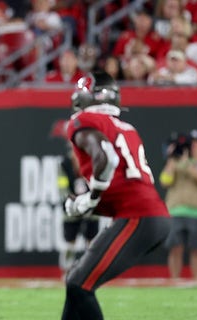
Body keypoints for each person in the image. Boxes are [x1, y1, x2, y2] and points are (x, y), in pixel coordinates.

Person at [62, 71, 171, 319]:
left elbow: (106, 157)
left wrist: (90, 198)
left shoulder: (85, 120)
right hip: (148, 215)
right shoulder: (126, 128)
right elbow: (121, 182)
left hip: (138, 217)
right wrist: (88, 203)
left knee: (80, 284)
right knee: (76, 282)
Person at [51, 120, 99, 276]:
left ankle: (89, 270)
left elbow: (97, 180)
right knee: (69, 242)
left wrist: (93, 198)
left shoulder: (92, 161)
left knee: (91, 241)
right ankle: (66, 270)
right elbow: (62, 185)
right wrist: (69, 199)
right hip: (72, 205)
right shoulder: (64, 163)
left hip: (90, 204)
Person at [160, 130, 197, 281]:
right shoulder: (174, 162)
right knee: (175, 248)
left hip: (196, 211)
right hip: (175, 210)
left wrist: (187, 164)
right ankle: (174, 280)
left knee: (196, 249)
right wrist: (171, 160)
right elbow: (165, 181)